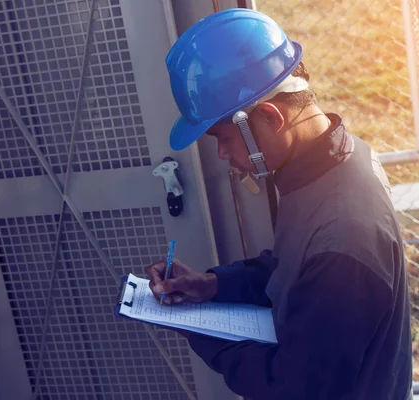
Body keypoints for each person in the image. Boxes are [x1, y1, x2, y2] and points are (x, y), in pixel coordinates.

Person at [146, 8, 412, 400]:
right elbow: (294, 265)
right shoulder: (332, 162)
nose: (222, 154)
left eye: (223, 138)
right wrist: (213, 285)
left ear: (270, 118)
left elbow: (293, 388)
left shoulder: (346, 238)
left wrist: (198, 330)